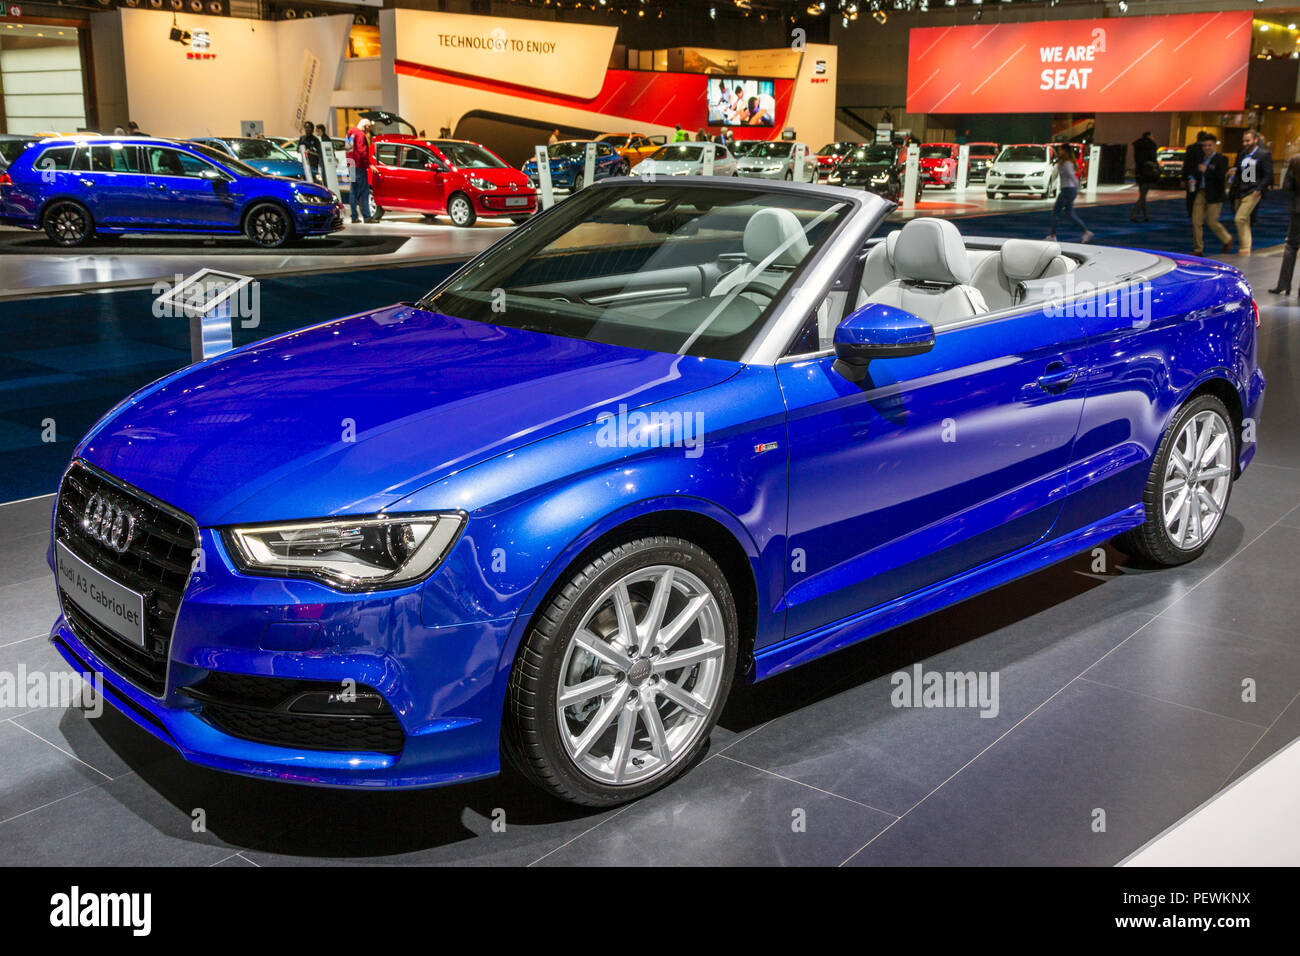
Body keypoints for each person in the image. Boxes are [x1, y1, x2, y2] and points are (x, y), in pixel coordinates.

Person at [1189, 133, 1232, 255]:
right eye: (1205, 146)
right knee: (1196, 221)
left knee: (1212, 221)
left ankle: (1227, 239)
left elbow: (1220, 176)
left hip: (1215, 194)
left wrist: (1206, 170)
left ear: (1215, 146)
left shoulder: (1221, 159)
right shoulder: (1201, 159)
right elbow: (1195, 172)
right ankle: (1198, 249)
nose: (1207, 148)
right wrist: (1193, 178)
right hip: (1201, 192)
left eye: (1209, 145)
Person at [1231, 128, 1273, 255]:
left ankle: (1244, 248)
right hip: (1240, 190)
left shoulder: (1263, 154)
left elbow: (1268, 175)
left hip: (1253, 190)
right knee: (1245, 219)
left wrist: (1259, 189)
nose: (1245, 143)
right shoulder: (1242, 153)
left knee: (1240, 218)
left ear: (1256, 140)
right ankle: (1246, 246)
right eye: (1243, 141)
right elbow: (1238, 170)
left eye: (1248, 140)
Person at [1047, 145, 1093, 243]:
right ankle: (1086, 231)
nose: (1059, 152)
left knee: (1056, 212)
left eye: (1060, 150)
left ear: (1065, 151)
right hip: (1068, 189)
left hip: (1068, 190)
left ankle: (1053, 235)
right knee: (1070, 213)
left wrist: (1078, 188)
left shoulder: (1067, 163)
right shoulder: (1063, 162)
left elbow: (1072, 176)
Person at [1268, 153, 1300, 293]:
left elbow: (1286, 187)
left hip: (1297, 208)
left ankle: (1283, 285)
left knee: (1291, 247)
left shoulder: (1295, 160)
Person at [346, 117, 373, 223]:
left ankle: (354, 217)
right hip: (359, 166)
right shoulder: (361, 135)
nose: (369, 130)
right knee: (364, 192)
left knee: (353, 191)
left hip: (351, 165)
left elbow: (348, 149)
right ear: (365, 126)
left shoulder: (349, 132)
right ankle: (367, 217)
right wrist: (369, 165)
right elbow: (362, 152)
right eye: (369, 127)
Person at [1130, 130, 1159, 222]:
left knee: (1142, 193)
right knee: (1143, 195)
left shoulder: (1137, 145)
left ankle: (1146, 215)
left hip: (1139, 171)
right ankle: (1134, 214)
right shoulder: (1151, 145)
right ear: (1149, 136)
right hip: (1148, 171)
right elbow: (1153, 158)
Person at [297, 120, 323, 184]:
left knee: (314, 180)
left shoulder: (315, 140)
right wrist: (300, 150)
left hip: (313, 164)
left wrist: (310, 152)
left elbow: (319, 153)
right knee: (305, 179)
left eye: (309, 127)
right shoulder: (302, 138)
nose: (307, 129)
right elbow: (297, 149)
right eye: (305, 127)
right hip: (304, 163)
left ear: (312, 129)